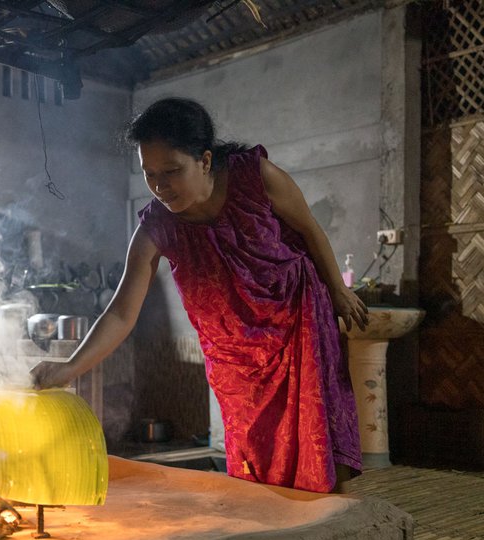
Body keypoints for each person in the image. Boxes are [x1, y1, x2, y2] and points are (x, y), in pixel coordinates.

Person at [31, 97, 368, 494]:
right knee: (256, 459)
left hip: (298, 327)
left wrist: (338, 289)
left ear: (205, 160)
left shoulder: (256, 178)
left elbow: (310, 229)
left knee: (318, 447)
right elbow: (121, 314)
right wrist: (69, 368)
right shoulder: (156, 228)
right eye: (149, 174)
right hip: (235, 356)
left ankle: (335, 533)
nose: (159, 186)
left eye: (172, 171)